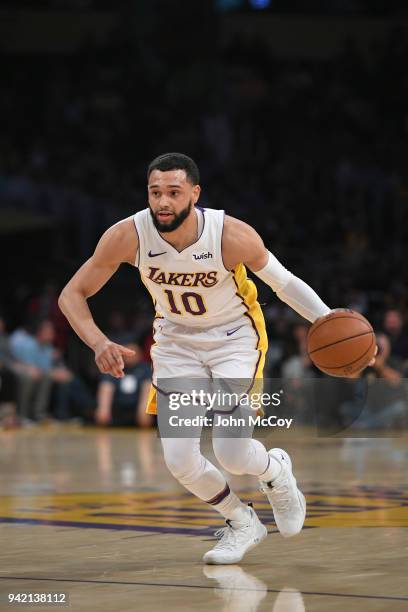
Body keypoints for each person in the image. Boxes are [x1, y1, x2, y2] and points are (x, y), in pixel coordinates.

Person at [58, 152, 376, 565]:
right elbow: (72, 294)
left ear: (194, 193)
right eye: (155, 193)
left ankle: (276, 472)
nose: (163, 202)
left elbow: (284, 285)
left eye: (173, 192)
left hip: (234, 340)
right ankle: (241, 523)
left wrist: (331, 323)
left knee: (231, 452)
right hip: (176, 344)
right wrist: (98, 342)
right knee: (180, 461)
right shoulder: (127, 235)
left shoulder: (231, 235)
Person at [95, 340, 152, 427]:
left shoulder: (146, 369)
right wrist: (103, 409)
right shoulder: (113, 368)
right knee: (103, 413)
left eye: (133, 353)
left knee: (145, 414)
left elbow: (147, 388)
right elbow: (106, 387)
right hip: (117, 411)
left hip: (137, 410)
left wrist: (144, 410)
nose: (130, 357)